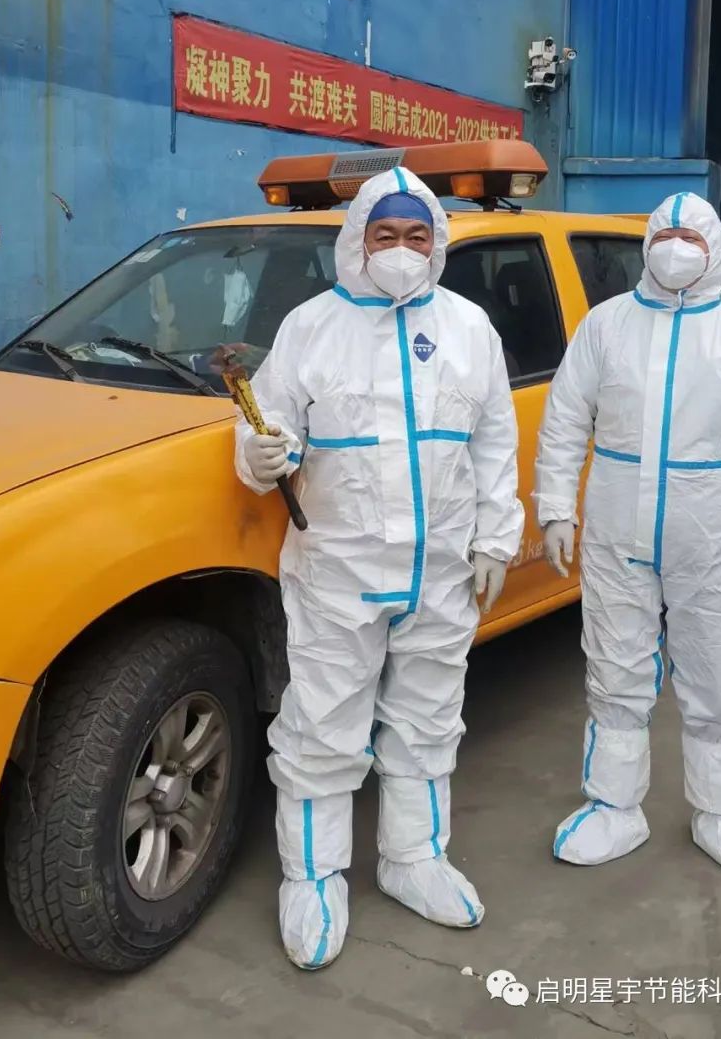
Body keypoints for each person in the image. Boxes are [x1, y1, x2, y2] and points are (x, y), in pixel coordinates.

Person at [234, 166, 523, 969]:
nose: (401, 248)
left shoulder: (468, 327)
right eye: (386, 234)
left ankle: (413, 857)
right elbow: (263, 426)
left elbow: (494, 442)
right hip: (339, 569)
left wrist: (497, 537)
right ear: (358, 241)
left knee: (429, 717)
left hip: (441, 567)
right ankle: (313, 875)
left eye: (416, 234)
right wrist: (260, 453)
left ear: (437, 241)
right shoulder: (310, 327)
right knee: (323, 723)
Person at [534, 192, 721, 881]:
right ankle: (613, 804)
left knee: (715, 674)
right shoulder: (607, 325)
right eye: (666, 235)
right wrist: (555, 506)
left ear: (715, 248)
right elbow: (565, 419)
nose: (677, 248)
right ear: (647, 245)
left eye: (692, 237)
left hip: (715, 534)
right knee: (614, 668)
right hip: (617, 531)